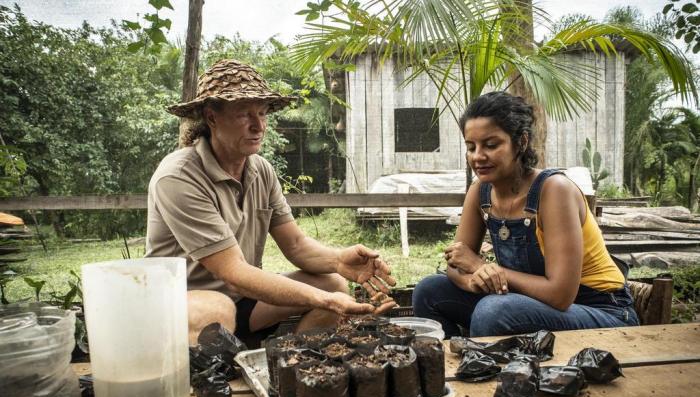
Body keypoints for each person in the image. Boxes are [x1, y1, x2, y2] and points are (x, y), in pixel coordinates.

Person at [146, 59, 395, 347]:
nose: (258, 126)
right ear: (211, 118)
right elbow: (234, 273)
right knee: (218, 309)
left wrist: (339, 261)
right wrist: (327, 301)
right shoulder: (179, 176)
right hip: (185, 305)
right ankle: (211, 383)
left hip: (242, 299)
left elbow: (296, 245)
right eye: (244, 115)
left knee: (332, 283)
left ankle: (294, 363)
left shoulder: (260, 170)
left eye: (263, 113)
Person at [412, 91, 639, 338]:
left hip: (600, 311)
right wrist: (471, 280)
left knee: (493, 311)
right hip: (524, 303)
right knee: (428, 291)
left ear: (521, 142)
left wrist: (480, 265)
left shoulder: (554, 191)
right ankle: (455, 364)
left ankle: (485, 370)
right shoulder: (480, 193)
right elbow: (456, 266)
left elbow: (560, 296)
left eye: (491, 145)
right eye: (471, 147)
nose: (478, 156)